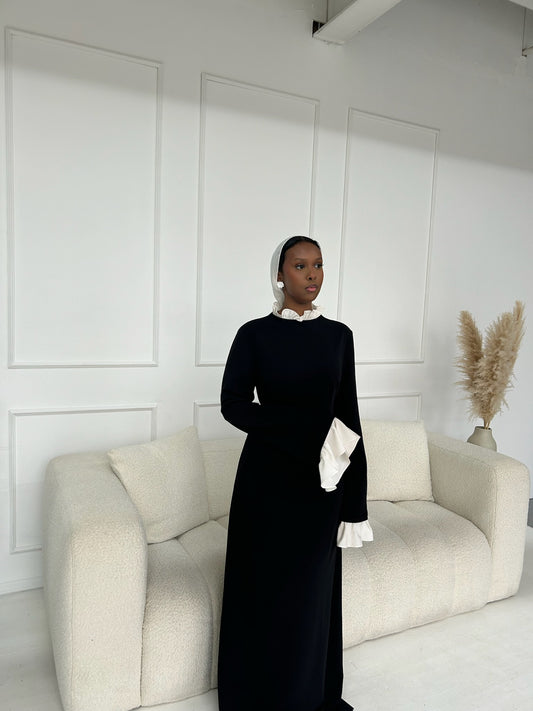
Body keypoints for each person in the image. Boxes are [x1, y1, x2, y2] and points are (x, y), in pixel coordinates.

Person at [217, 236, 373, 711]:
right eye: (300, 265)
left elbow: (348, 416)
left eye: (318, 265)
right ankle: (256, 697)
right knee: (262, 590)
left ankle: (306, 699)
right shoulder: (253, 334)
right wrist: (302, 429)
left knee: (310, 596)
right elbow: (233, 404)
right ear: (279, 275)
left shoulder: (339, 336)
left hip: (321, 485)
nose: (312, 274)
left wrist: (356, 501)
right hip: (264, 484)